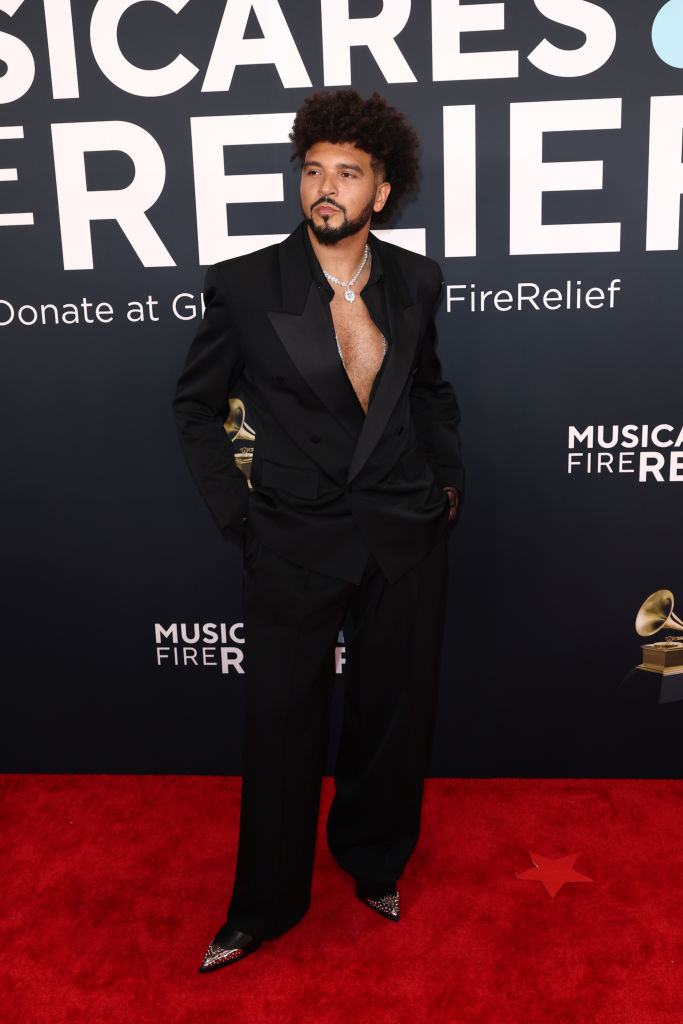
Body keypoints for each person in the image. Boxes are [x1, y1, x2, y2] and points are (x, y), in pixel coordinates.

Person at [173, 89, 464, 972]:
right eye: (312, 171)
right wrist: (243, 519)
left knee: (392, 716)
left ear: (382, 190)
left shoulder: (415, 277)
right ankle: (264, 904)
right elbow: (194, 409)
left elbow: (426, 392)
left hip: (404, 533)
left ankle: (373, 860)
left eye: (346, 172)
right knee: (282, 726)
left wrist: (446, 483)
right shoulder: (246, 280)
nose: (324, 188)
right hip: (294, 539)